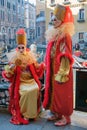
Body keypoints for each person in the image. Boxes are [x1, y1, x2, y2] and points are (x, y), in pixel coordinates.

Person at [2, 28, 45, 125]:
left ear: (26, 47)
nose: (21, 50)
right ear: (17, 48)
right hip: (20, 82)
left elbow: (36, 69)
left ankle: (31, 114)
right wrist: (12, 67)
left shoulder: (30, 57)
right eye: (19, 47)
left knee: (35, 88)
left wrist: (41, 66)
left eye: (23, 47)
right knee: (26, 92)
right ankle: (24, 113)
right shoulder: (14, 58)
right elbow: (8, 74)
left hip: (30, 80)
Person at [43, 4, 75, 126]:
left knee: (63, 93)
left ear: (62, 20)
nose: (53, 21)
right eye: (53, 18)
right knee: (55, 92)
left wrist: (63, 72)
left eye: (55, 19)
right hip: (53, 69)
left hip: (62, 70)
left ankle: (66, 117)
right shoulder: (55, 34)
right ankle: (57, 113)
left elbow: (66, 54)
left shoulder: (65, 35)